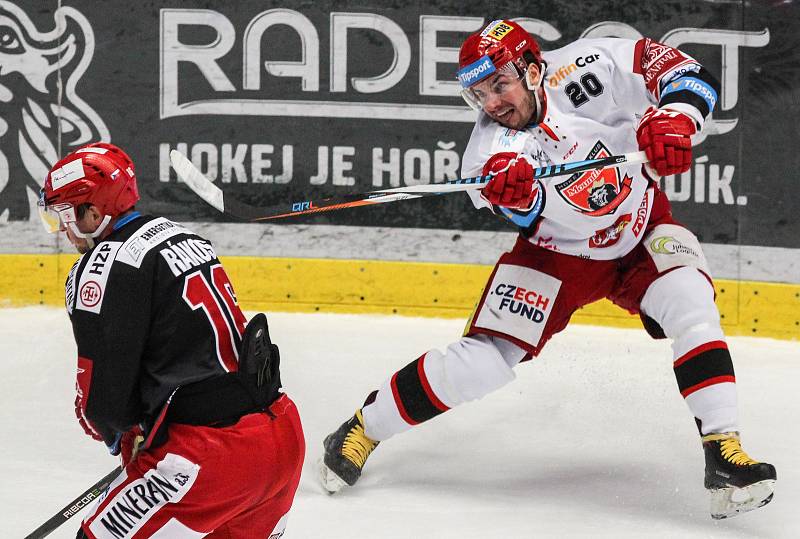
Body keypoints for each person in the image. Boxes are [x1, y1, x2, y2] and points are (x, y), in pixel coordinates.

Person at [319, 20, 776, 519]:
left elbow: (686, 73)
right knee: (483, 364)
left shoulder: (593, 64)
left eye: (500, 85)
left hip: (642, 228)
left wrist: (678, 119)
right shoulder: (490, 154)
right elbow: (526, 212)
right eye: (480, 94)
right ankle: (365, 425)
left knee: (691, 303)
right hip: (557, 258)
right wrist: (516, 193)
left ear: (534, 71)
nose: (492, 103)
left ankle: (724, 453)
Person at [39, 142, 305, 538]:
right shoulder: (185, 236)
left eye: (63, 217)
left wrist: (121, 434)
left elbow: (103, 403)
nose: (62, 230)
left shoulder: (98, 268)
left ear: (93, 213)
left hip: (211, 459)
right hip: (281, 440)